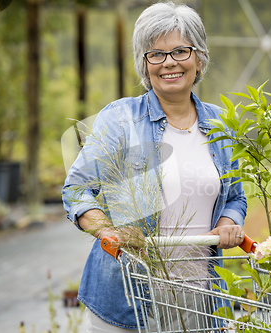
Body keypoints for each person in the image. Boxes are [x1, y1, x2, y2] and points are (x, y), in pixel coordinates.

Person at [62, 2, 247, 332]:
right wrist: (109, 229)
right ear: (144, 65)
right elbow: (76, 188)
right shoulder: (119, 119)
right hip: (127, 301)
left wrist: (229, 220)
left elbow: (235, 196)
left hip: (199, 300)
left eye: (180, 51)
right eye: (156, 54)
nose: (169, 63)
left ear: (199, 57)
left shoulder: (221, 123)